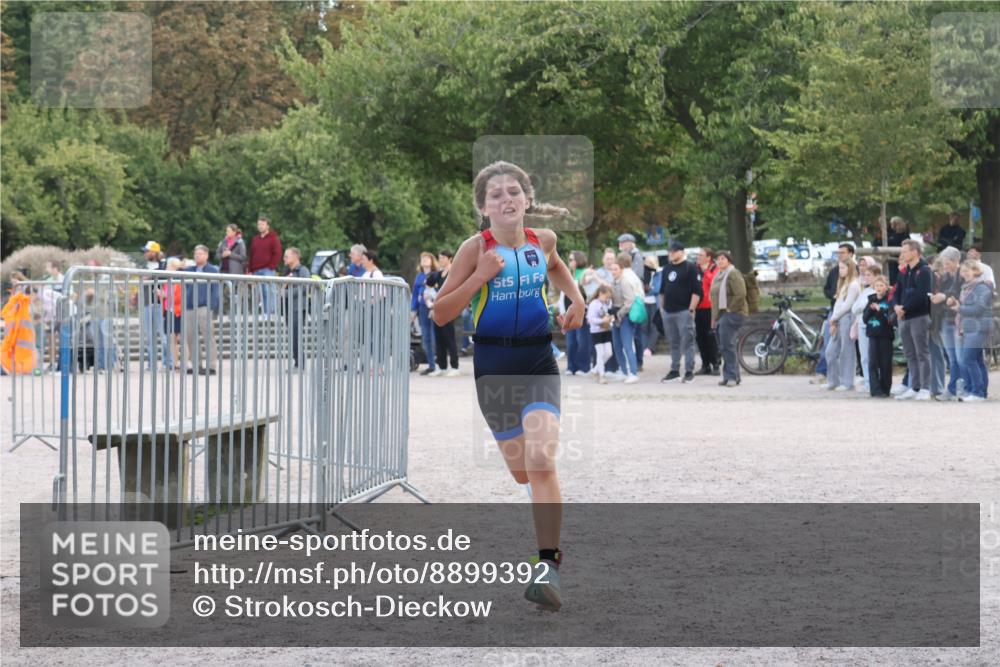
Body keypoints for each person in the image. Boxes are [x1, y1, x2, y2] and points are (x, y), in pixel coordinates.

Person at [430, 160, 583, 612]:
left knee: (541, 460)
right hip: (494, 367)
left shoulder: (544, 240)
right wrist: (480, 277)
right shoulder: (473, 249)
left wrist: (574, 298)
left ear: (527, 199)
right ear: (483, 207)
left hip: (537, 359)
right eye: (495, 194)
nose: (506, 199)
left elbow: (555, 267)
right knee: (522, 473)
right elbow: (440, 313)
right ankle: (546, 544)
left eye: (513, 191)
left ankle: (548, 564)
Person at [893, 240, 933, 400]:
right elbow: (897, 291)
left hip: (918, 316)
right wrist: (896, 306)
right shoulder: (903, 271)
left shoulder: (924, 271)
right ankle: (914, 386)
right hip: (903, 317)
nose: (902, 254)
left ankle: (925, 388)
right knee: (910, 353)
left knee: (922, 353)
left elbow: (921, 294)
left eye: (905, 251)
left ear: (915, 252)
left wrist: (904, 308)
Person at [812, 243, 855, 384]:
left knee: (845, 349)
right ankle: (828, 375)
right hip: (835, 312)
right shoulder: (835, 272)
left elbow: (847, 302)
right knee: (829, 345)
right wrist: (833, 297)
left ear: (850, 254)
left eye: (842, 252)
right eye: (838, 253)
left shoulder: (853, 279)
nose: (840, 255)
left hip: (846, 315)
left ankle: (845, 379)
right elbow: (829, 290)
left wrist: (836, 315)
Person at [658, 241, 702, 383]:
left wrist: (691, 309)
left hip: (684, 311)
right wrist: (662, 308)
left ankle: (689, 371)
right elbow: (662, 291)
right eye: (670, 251)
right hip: (668, 311)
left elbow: (697, 291)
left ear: (682, 252)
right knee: (673, 342)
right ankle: (674, 370)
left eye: (674, 251)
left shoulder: (690, 268)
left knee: (688, 341)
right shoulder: (666, 269)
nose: (671, 254)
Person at [954, 259, 994, 402]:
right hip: (969, 327)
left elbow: (978, 309)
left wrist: (959, 308)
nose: (964, 274)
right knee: (977, 360)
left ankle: (977, 392)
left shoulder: (982, 287)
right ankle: (980, 392)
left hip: (979, 326)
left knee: (968, 359)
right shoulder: (966, 287)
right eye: (962, 271)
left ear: (976, 271)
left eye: (967, 270)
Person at [710, 250, 747, 387]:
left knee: (727, 345)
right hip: (721, 314)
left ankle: (731, 376)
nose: (720, 261)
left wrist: (730, 309)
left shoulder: (733, 273)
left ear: (729, 261)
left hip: (733, 313)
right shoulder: (719, 275)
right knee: (724, 346)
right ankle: (731, 375)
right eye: (718, 259)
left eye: (723, 259)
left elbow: (741, 294)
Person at [931, 247, 964, 400]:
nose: (945, 265)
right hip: (944, 319)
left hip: (957, 321)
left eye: (948, 262)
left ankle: (957, 388)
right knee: (952, 357)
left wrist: (944, 296)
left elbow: (958, 294)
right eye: (944, 262)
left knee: (959, 357)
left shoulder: (962, 276)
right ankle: (953, 388)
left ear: (956, 261)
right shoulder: (944, 278)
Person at [182, 245, 220, 375]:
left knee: (208, 336)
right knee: (190, 336)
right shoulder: (190, 270)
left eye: (200, 254)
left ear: (206, 255)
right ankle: (196, 364)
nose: (197, 256)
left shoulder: (212, 270)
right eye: (195, 254)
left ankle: (211, 366)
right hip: (190, 306)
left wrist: (211, 306)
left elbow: (215, 290)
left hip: (204, 306)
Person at [825, 258, 860, 391]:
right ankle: (833, 380)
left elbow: (847, 305)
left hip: (847, 318)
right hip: (838, 318)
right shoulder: (843, 284)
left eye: (843, 268)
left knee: (847, 350)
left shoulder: (854, 284)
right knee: (830, 351)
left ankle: (847, 382)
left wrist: (834, 318)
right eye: (839, 268)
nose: (840, 271)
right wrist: (834, 319)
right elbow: (838, 303)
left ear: (850, 268)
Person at [610, 251, 642, 384]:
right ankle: (623, 371)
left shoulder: (625, 282)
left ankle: (633, 372)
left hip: (625, 317)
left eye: (615, 269)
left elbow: (629, 301)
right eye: (612, 269)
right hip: (617, 317)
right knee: (617, 345)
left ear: (621, 269)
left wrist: (619, 313)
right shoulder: (614, 282)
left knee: (628, 345)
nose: (613, 272)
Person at [426, 250, 459, 376]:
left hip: (449, 307)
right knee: (439, 337)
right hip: (438, 308)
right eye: (439, 258)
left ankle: (455, 366)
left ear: (450, 258)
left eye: (443, 258)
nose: (441, 260)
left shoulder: (453, 272)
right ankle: (442, 366)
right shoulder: (439, 274)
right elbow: (428, 283)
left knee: (449, 337)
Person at [139, 242, 170, 370]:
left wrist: (151, 275)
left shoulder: (164, 264)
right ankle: (151, 364)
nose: (145, 254)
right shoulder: (143, 266)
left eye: (147, 251)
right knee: (149, 336)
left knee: (163, 335)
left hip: (159, 303)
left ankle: (167, 362)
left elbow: (165, 277)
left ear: (154, 252)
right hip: (146, 302)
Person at [850, 260, 880, 393]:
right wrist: (863, 307)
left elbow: (866, 307)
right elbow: (855, 308)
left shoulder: (876, 291)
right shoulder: (865, 291)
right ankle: (867, 381)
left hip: (872, 326)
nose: (866, 277)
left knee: (873, 355)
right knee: (864, 356)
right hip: (861, 325)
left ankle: (875, 381)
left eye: (869, 275)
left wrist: (864, 307)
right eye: (865, 275)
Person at [863, 275, 895, 397]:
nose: (879, 288)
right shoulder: (871, 300)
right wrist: (871, 310)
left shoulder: (889, 301)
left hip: (885, 335)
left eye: (881, 285)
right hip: (873, 335)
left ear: (886, 287)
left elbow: (890, 318)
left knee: (885, 363)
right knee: (873, 363)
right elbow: (865, 319)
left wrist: (880, 310)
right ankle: (875, 390)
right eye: (877, 285)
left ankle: (885, 389)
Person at [617, 234, 646, 369]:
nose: (620, 246)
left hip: (634, 300)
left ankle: (638, 361)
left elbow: (638, 275)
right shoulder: (629, 255)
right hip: (630, 299)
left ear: (629, 243)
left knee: (637, 334)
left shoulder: (637, 256)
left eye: (622, 243)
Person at [282, 247, 312, 369]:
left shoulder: (302, 270)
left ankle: (300, 363)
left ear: (295, 257)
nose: (284, 258)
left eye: (287, 256)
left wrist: (286, 292)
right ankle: (297, 362)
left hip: (299, 307)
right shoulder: (287, 271)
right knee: (292, 335)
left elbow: (305, 287)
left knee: (296, 335)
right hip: (289, 307)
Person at [562, 251, 591, 376]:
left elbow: (588, 293)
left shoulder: (584, 273)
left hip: (581, 313)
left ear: (578, 260)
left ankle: (584, 367)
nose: (569, 262)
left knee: (582, 340)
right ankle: (571, 366)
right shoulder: (570, 275)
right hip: (568, 312)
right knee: (571, 341)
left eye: (571, 259)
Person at [412, 252, 440, 376]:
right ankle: (431, 365)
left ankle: (439, 363)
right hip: (423, 308)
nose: (424, 260)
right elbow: (414, 294)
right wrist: (413, 310)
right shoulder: (419, 277)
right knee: (426, 338)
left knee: (435, 337)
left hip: (434, 308)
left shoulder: (435, 275)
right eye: (422, 258)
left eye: (427, 258)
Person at [248, 216, 282, 315]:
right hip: (255, 270)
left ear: (267, 226)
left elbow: (277, 253)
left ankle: (270, 314)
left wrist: (271, 266)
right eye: (259, 224)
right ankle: (260, 314)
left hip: (267, 270)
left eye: (262, 224)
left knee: (269, 292)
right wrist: (250, 269)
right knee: (257, 293)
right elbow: (252, 254)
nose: (260, 226)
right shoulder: (255, 239)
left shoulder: (273, 238)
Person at [694, 247, 720, 375]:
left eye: (701, 255)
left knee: (711, 336)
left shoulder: (714, 269)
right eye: (698, 255)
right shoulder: (695, 268)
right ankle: (705, 365)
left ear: (708, 257)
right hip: (697, 307)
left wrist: (706, 273)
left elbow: (715, 285)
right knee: (700, 337)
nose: (698, 257)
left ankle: (715, 363)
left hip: (710, 308)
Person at [587, 284, 614, 383]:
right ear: (600, 294)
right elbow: (590, 319)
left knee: (609, 353)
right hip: (596, 331)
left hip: (606, 330)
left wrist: (610, 319)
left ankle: (595, 370)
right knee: (600, 353)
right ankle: (601, 375)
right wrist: (602, 320)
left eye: (608, 297)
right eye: (606, 297)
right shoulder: (594, 304)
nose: (607, 299)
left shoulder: (606, 303)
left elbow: (607, 315)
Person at [162, 257, 184, 371]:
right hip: (168, 311)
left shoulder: (179, 280)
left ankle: (179, 362)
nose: (166, 268)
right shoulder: (168, 281)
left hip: (177, 311)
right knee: (171, 339)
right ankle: (173, 362)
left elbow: (179, 297)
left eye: (168, 266)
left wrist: (164, 295)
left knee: (177, 338)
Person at [886, 216, 910, 285]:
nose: (891, 226)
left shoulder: (904, 234)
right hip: (892, 257)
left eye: (893, 224)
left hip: (900, 257)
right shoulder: (891, 233)